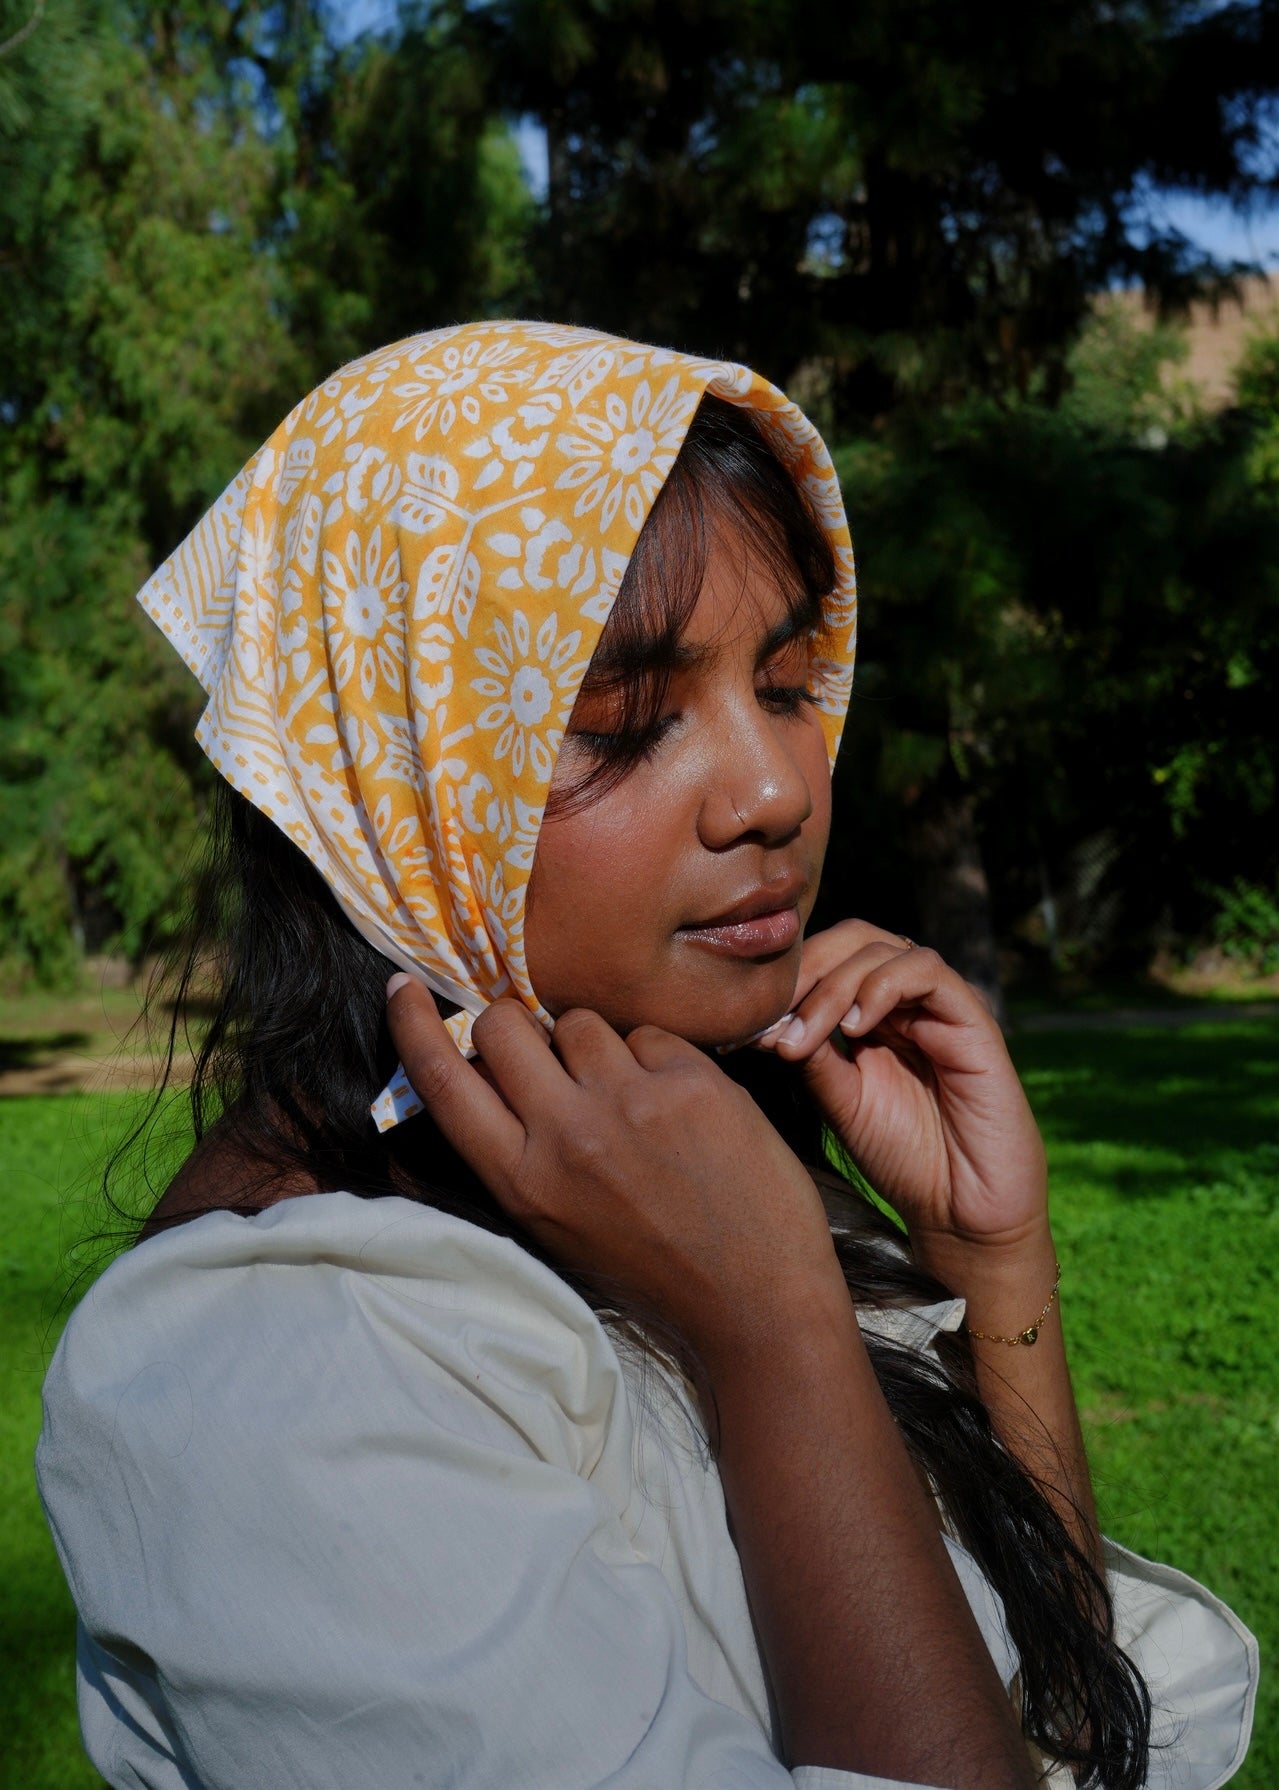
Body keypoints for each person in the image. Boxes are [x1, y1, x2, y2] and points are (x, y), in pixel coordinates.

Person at [38, 322, 1255, 1790]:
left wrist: (989, 1262)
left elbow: (1059, 1711)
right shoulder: (293, 1377)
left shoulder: (676, 1167)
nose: (774, 789)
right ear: (393, 774)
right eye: (620, 721)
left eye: (789, 686)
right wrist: (773, 1330)